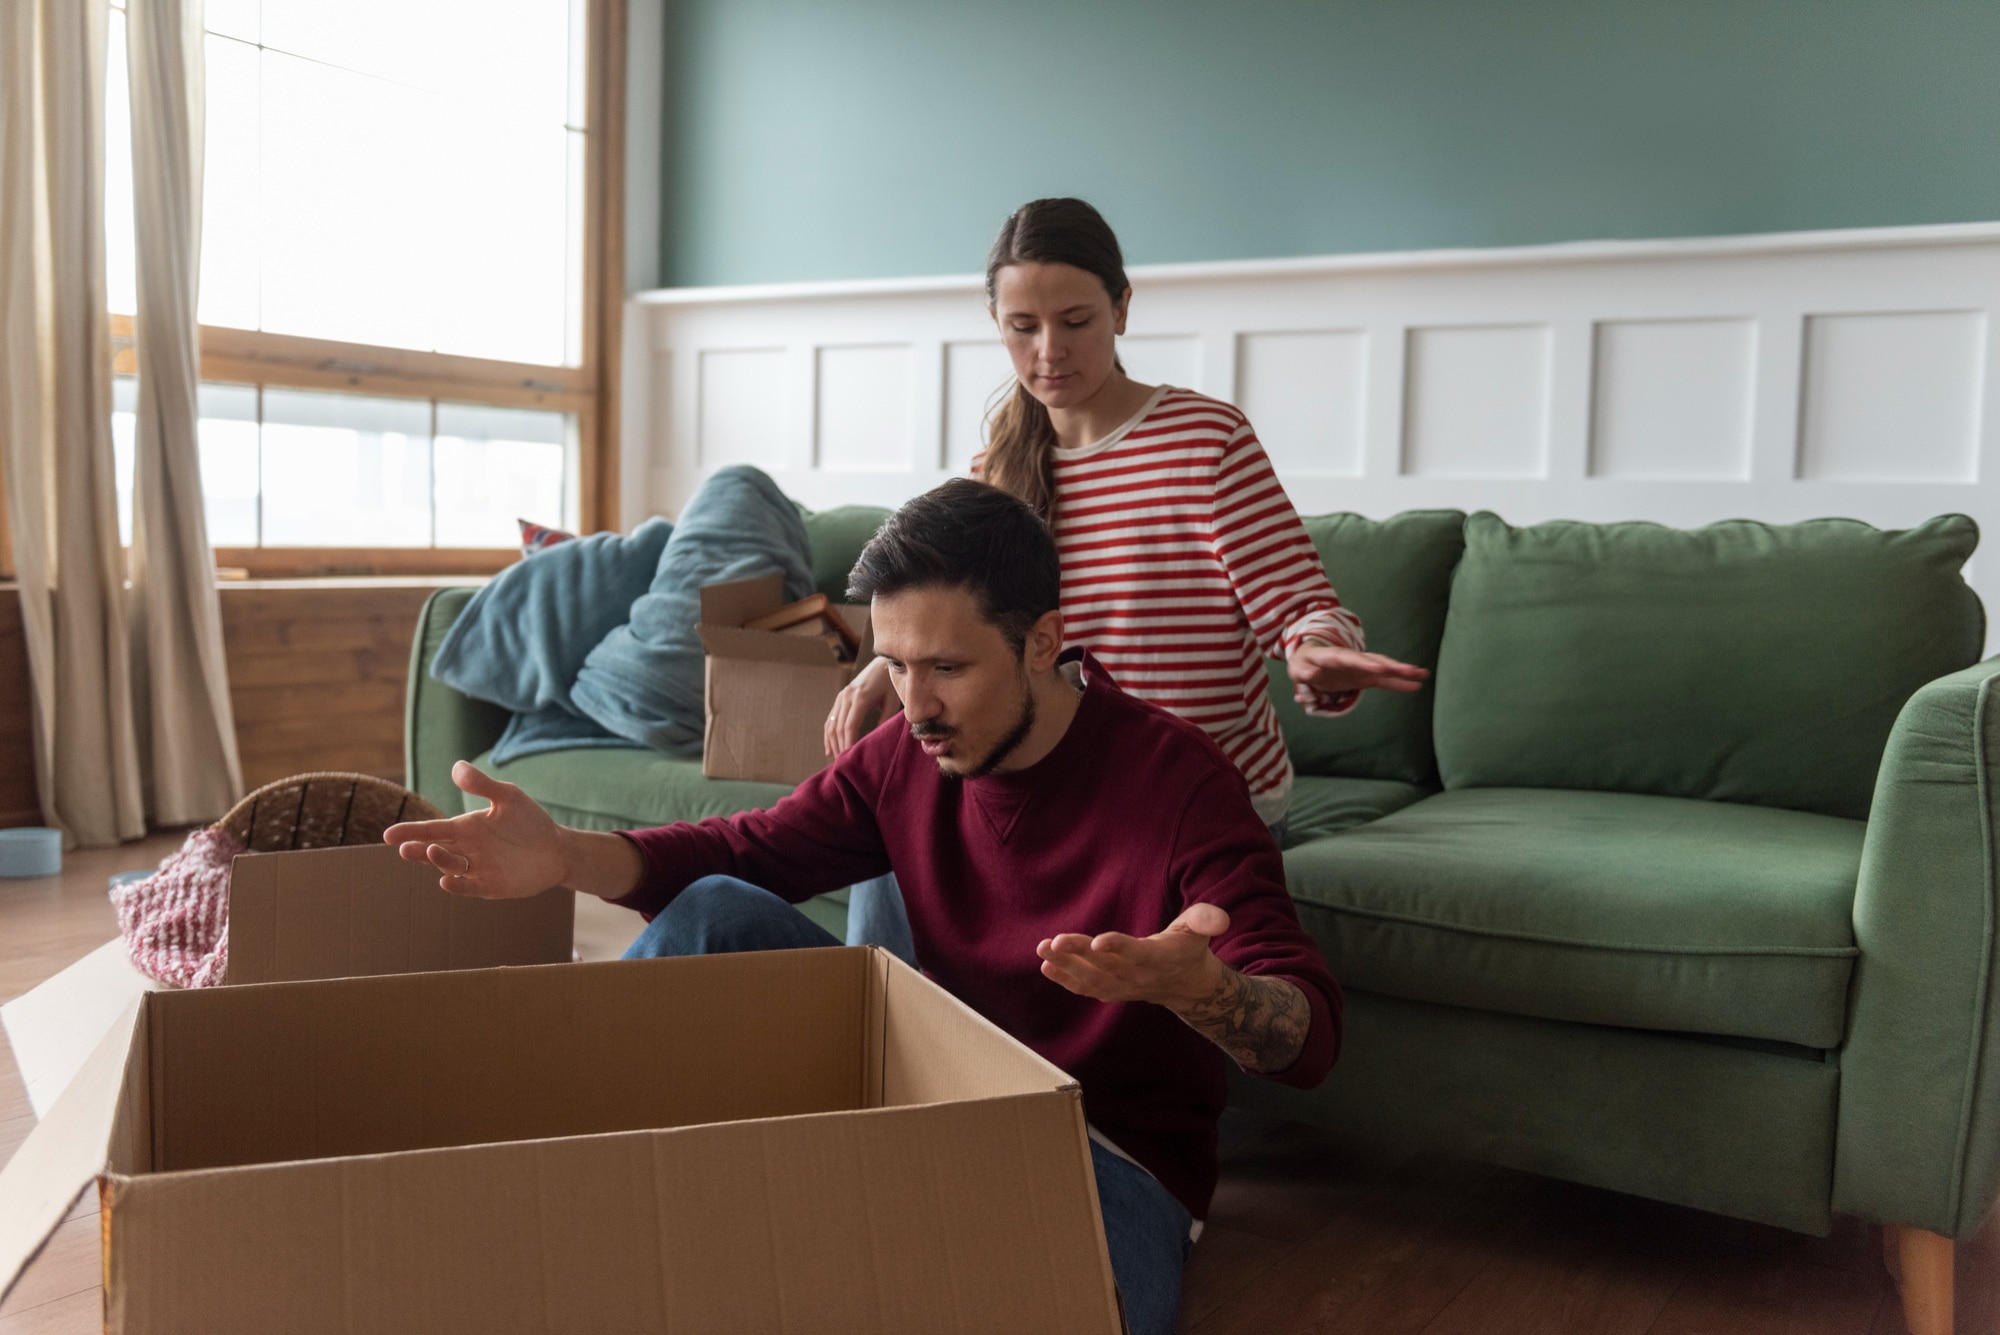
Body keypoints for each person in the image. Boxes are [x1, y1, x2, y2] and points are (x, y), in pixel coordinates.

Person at [386, 480, 1342, 1335]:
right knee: (717, 906)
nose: (914, 704)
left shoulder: (1178, 780)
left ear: (1044, 641)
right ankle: (572, 1192)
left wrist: (1205, 991)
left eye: (947, 668)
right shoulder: (903, 755)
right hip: (921, 1095)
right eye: (895, 664)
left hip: (1099, 1148)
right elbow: (748, 849)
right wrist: (561, 857)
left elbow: (1307, 1032)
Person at [827, 197, 1427, 961]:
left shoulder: (1206, 443)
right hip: (1060, 787)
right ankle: (886, 1037)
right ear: (996, 323)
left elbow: (1301, 606)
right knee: (900, 808)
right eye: (1023, 327)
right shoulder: (995, 472)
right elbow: (962, 626)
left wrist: (1315, 654)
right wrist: (887, 666)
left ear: (1122, 309)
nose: (1050, 350)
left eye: (1076, 321)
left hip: (1193, 801)